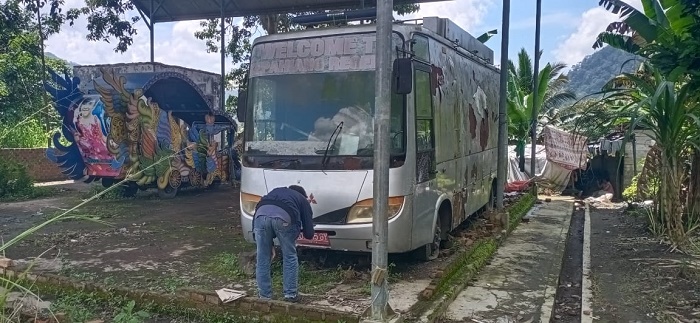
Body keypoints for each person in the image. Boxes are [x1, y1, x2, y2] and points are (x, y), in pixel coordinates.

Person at [253, 185, 314, 302]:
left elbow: (259, 209)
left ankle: (264, 296)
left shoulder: (275, 191)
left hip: (260, 217)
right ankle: (290, 295)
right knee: (289, 256)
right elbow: (309, 234)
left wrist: (267, 242)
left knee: (262, 258)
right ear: (304, 195)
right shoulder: (302, 199)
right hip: (284, 218)